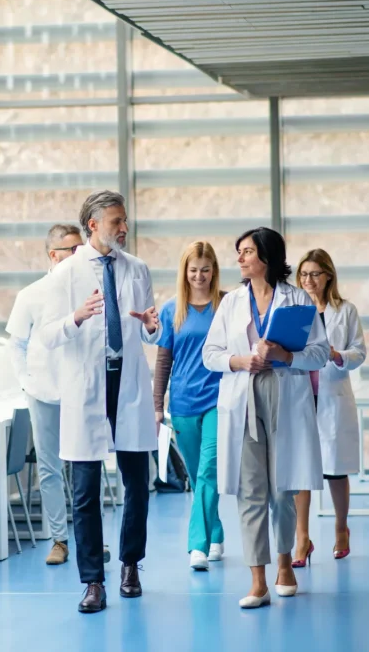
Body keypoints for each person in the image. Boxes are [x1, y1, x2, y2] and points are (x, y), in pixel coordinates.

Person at [38, 189, 161, 614]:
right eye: (116, 222)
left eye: (124, 221)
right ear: (93, 224)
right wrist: (76, 317)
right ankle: (92, 581)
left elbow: (150, 331)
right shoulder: (66, 274)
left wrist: (150, 326)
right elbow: (47, 335)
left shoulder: (137, 269)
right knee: (85, 493)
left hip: (126, 388)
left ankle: (130, 565)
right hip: (86, 389)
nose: (123, 228)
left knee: (137, 487)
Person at [202, 227, 330, 609]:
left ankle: (284, 563)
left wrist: (286, 357)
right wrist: (240, 361)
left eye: (247, 252)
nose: (239, 258)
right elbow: (211, 354)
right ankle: (257, 580)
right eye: (238, 251)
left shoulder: (296, 301)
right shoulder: (230, 303)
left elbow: (320, 354)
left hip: (284, 392)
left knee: (282, 489)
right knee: (250, 490)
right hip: (244, 393)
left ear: (267, 258)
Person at [5, 223, 84, 566]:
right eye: (74, 251)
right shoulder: (31, 295)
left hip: (80, 391)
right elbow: (16, 343)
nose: (82, 256)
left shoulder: (87, 290)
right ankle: (59, 540)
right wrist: (26, 381)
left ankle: (89, 537)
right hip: (43, 393)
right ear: (55, 255)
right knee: (50, 469)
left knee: (85, 467)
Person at [153, 241, 226, 571]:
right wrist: (158, 405)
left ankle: (197, 545)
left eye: (205, 270)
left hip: (219, 400)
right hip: (182, 403)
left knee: (209, 469)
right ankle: (216, 532)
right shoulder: (172, 310)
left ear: (214, 271)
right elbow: (163, 359)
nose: (199, 276)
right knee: (199, 478)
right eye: (193, 270)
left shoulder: (226, 305)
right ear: (185, 272)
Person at [292, 249, 366, 566]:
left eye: (315, 274)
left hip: (332, 394)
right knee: (302, 471)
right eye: (304, 274)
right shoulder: (293, 310)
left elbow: (359, 351)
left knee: (334, 470)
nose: (309, 280)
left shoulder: (345, 311)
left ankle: (340, 529)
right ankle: (301, 539)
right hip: (301, 396)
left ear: (328, 276)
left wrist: (339, 356)